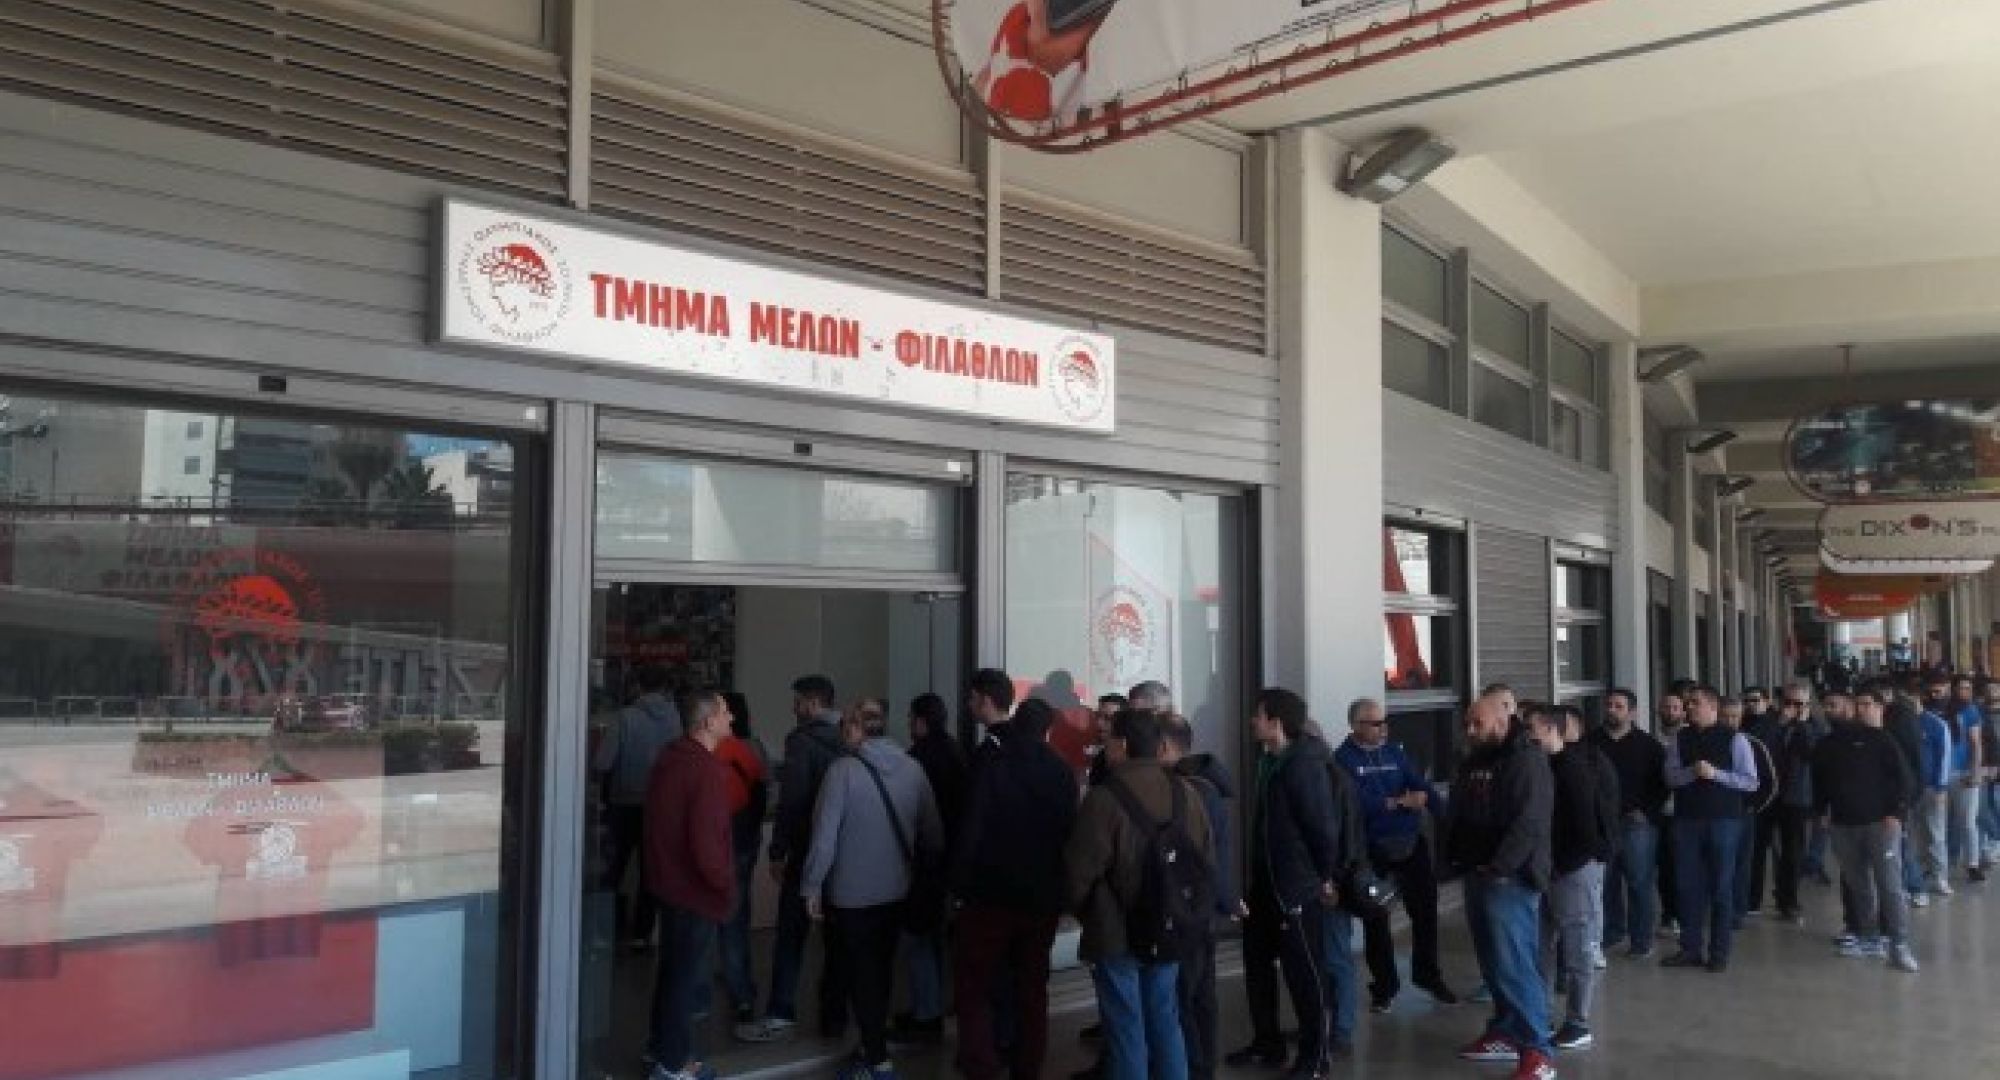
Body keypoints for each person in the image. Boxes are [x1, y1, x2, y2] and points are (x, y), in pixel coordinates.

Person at [801, 698, 946, 1080]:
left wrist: (812, 885)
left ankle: (877, 1061)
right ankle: (871, 1046)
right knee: (881, 971)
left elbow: (824, 839)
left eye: (846, 725)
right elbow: (932, 833)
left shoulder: (842, 772)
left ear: (856, 729)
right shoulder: (912, 768)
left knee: (860, 974)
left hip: (851, 895)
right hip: (898, 888)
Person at [1066, 708, 1212, 1080]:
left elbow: (1078, 873)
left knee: (1125, 1027)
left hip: (1115, 931)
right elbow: (1205, 860)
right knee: (1165, 1018)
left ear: (1122, 745)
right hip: (1170, 924)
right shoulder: (1187, 793)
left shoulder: (1103, 799)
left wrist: (1087, 913)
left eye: (1109, 739)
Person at [1228, 688, 1357, 1078]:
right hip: (1266, 885)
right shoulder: (1271, 762)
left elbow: (1323, 830)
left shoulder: (1302, 767)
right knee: (1257, 963)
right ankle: (1267, 1043)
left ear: (1276, 722)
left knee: (1305, 973)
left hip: (1295, 888)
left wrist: (1324, 877)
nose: (1252, 721)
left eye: (1258, 715)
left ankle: (1315, 1056)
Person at [952, 691, 1079, 1080]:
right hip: (1041, 898)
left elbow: (972, 829)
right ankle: (1028, 1068)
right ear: (1047, 731)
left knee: (975, 984)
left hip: (990, 894)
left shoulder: (994, 764)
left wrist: (959, 885)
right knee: (1032, 989)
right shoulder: (1061, 772)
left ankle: (981, 1064)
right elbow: (1069, 836)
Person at [1448, 690, 1556, 1080]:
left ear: (1502, 719)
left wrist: (1501, 867)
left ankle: (1537, 1051)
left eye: (1477, 723)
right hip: (1477, 872)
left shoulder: (1526, 760)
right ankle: (1506, 1033)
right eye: (1467, 724)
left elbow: (1530, 822)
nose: (1470, 730)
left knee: (1515, 965)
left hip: (1509, 878)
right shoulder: (1475, 760)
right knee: (1493, 963)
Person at [1334, 697, 1458, 1012]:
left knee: (1426, 911)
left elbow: (1419, 785)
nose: (1383, 728)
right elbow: (1356, 804)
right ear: (1356, 725)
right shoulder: (1342, 759)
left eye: (1384, 722)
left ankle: (1428, 975)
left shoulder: (1394, 753)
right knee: (1376, 918)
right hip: (1372, 849)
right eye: (1375, 723)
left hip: (1410, 843)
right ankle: (1384, 987)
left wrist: (1444, 814)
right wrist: (1399, 802)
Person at [744, 675, 848, 1043]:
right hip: (842, 850)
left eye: (799, 701)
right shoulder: (850, 738)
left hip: (806, 847)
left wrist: (778, 850)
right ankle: (834, 1016)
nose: (794, 708)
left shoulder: (801, 742)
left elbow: (793, 800)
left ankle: (781, 1010)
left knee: (791, 933)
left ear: (814, 703)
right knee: (837, 938)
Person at [643, 689, 735, 1080]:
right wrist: (724, 885)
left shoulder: (670, 758)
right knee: (684, 981)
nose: (731, 717)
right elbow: (706, 843)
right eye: (725, 711)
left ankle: (661, 1049)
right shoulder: (704, 770)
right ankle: (675, 1064)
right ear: (708, 721)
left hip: (670, 885)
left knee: (672, 974)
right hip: (694, 892)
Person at [1527, 703, 1618, 1051]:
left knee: (1578, 948)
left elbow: (1586, 831)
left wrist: (1560, 866)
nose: (1529, 737)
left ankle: (1578, 1021)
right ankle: (1542, 1013)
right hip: (1548, 871)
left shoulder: (1574, 769)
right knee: (1542, 948)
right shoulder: (1542, 767)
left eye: (1533, 730)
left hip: (1572, 870)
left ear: (1553, 730)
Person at [1812, 687, 1919, 973]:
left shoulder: (1883, 740)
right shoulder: (1828, 744)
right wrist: (1821, 811)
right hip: (1843, 824)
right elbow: (1820, 780)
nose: (1860, 710)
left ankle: (1899, 944)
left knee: (1890, 885)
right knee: (1858, 885)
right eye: (1857, 704)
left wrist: (1897, 813)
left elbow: (1905, 780)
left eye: (1865, 704)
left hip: (1880, 824)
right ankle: (1869, 936)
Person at [1159, 713, 1236, 1080]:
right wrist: (1227, 899)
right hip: (1206, 908)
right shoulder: (1208, 786)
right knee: (1202, 993)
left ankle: (1192, 1067)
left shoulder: (1183, 792)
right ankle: (1203, 1065)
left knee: (1184, 997)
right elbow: (1221, 852)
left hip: (1187, 909)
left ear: (1164, 746)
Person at [1662, 686, 1759, 973]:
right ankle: (1690, 948)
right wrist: (1691, 773)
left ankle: (1719, 952)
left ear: (1713, 707)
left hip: (1724, 820)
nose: (1690, 707)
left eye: (1696, 703)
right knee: (1686, 886)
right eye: (1688, 703)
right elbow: (1670, 777)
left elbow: (1750, 781)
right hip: (1687, 820)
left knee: (1721, 887)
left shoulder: (1735, 739)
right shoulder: (1680, 738)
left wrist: (1716, 774)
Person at [895, 693, 967, 1046]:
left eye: (911, 718)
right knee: (936, 936)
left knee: (919, 937)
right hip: (951, 860)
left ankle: (926, 1013)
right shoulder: (956, 752)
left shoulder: (916, 760)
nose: (909, 725)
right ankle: (935, 1005)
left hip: (925, 860)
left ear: (921, 721)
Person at [595, 666, 682, 950]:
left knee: (612, 869)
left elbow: (603, 761)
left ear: (637, 687)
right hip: (660, 806)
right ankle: (642, 935)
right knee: (650, 871)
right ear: (665, 687)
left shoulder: (625, 717)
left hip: (623, 804)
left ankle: (602, 932)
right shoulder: (675, 719)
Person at [1589, 688, 1667, 957]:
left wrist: (1647, 812)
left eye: (1618, 706)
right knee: (1605, 882)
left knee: (1639, 882)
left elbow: (1663, 784)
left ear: (1632, 712)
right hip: (1602, 824)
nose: (1611, 710)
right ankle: (1612, 932)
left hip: (1637, 823)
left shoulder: (1649, 746)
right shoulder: (1592, 743)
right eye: (1609, 705)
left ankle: (1641, 940)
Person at [715, 692, 770, 1026]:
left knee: (718, 920)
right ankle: (741, 984)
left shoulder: (714, 749)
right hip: (746, 839)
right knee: (738, 915)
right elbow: (764, 789)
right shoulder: (755, 747)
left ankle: (736, 989)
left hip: (721, 842)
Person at [1722, 697, 1778, 926]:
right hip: (1714, 813)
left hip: (1743, 814)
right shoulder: (1708, 742)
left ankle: (1738, 910)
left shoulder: (1753, 744)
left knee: (1742, 864)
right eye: (1725, 716)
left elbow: (1769, 782)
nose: (1729, 721)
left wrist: (1753, 807)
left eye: (1734, 716)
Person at [1767, 686, 1821, 924]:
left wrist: (1801, 724)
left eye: (1800, 704)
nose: (1794, 708)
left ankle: (1788, 899)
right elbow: (1763, 747)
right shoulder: (1772, 723)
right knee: (1769, 847)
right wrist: (1780, 724)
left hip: (1797, 796)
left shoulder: (1814, 726)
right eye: (1789, 702)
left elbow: (1811, 752)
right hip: (1770, 793)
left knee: (1793, 850)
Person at [1740, 687, 1784, 916]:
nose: (1751, 704)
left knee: (1760, 851)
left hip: (1766, 797)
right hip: (1743, 796)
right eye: (1747, 700)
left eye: (1755, 700)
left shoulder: (1773, 726)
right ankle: (1746, 897)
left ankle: (1755, 899)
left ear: (1766, 701)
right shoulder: (1742, 724)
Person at [1913, 674, 1956, 903]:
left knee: (1936, 835)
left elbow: (1944, 757)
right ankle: (1919, 877)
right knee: (1916, 836)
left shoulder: (1936, 724)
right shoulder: (1902, 724)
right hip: (1911, 790)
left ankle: (1940, 877)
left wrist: (1941, 787)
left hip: (1932, 788)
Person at [1654, 688, 1690, 939]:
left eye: (1675, 707)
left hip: (1685, 813)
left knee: (1684, 867)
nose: (1670, 711)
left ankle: (1686, 913)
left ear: (1683, 712)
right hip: (1660, 814)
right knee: (1665, 868)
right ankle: (1669, 914)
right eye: (1666, 707)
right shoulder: (1650, 740)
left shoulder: (1690, 740)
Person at [1948, 675, 1987, 883]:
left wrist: (1975, 771)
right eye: (1962, 687)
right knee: (1946, 822)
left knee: (1968, 821)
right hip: (1944, 773)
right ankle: (1948, 860)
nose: (1966, 692)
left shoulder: (1971, 711)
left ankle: (1973, 863)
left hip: (1964, 772)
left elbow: (1976, 743)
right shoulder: (1942, 710)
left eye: (1969, 688)